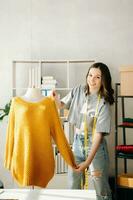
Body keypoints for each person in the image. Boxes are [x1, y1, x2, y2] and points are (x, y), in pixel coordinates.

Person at [52, 62, 114, 200]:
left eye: (97, 77)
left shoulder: (104, 102)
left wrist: (87, 162)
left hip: (96, 148)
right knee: (73, 186)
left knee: (101, 190)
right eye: (90, 75)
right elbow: (61, 105)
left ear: (103, 80)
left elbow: (98, 134)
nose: (92, 79)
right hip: (77, 144)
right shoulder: (78, 90)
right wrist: (55, 99)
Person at [4, 87, 77, 187]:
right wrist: (8, 159)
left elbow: (58, 133)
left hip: (43, 161)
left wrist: (71, 161)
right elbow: (10, 132)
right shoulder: (16, 102)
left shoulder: (49, 103)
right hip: (22, 159)